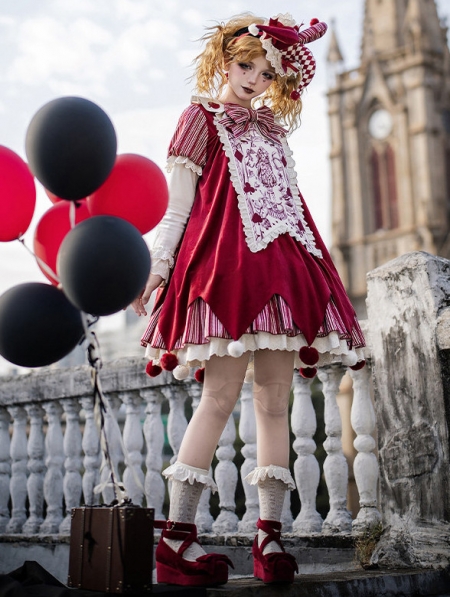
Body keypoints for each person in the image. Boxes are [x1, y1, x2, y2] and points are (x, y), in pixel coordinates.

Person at [131, 11, 365, 587]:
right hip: (228, 274)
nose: (255, 79)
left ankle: (269, 534)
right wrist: (158, 268)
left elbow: (290, 207)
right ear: (224, 62)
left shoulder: (273, 131)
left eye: (266, 73)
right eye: (245, 66)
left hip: (283, 273)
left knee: (274, 402)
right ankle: (176, 539)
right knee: (218, 397)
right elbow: (178, 208)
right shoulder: (199, 119)